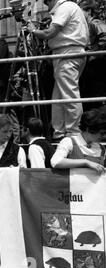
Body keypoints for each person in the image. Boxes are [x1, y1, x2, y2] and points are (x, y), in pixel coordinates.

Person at [26, 0, 88, 141]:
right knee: (59, 96)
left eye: (47, 3)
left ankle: (74, 132)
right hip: (67, 53)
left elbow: (50, 32)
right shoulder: (70, 7)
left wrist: (33, 30)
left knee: (68, 94)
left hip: (67, 53)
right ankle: (60, 132)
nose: (47, 6)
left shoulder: (65, 7)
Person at [51, 109, 106, 173]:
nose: (104, 136)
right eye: (102, 133)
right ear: (89, 129)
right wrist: (85, 162)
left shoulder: (102, 149)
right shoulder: (69, 142)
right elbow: (55, 162)